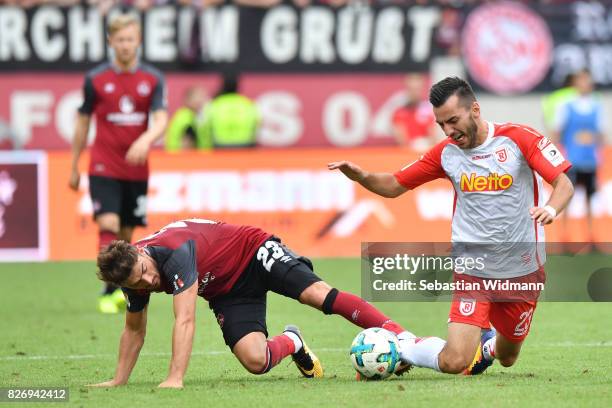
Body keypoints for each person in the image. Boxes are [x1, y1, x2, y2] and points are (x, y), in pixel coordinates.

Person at [329, 77, 574, 376]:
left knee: (508, 356)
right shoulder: (446, 153)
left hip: (522, 267)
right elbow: (394, 184)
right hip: (473, 266)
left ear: (475, 109)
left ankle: (488, 348)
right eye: (441, 124)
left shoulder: (519, 139)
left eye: (453, 120)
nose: (448, 131)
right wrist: (362, 176)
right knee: (454, 361)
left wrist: (551, 208)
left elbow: (563, 183)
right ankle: (401, 345)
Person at [88, 218, 410, 388]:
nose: (147, 283)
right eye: (135, 283)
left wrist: (175, 378)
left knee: (319, 296)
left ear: (141, 253)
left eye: (144, 273)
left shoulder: (175, 253)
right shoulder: (132, 276)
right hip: (228, 291)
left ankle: (401, 335)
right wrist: (119, 379)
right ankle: (293, 341)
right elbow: (134, 331)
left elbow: (184, 319)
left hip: (254, 252)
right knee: (256, 361)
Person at [69, 14, 168, 314]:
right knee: (108, 224)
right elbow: (83, 123)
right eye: (120, 40)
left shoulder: (152, 79)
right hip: (103, 165)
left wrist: (146, 138)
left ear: (138, 41)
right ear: (111, 42)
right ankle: (107, 288)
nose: (125, 45)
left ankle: (117, 286)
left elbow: (161, 118)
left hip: (136, 168)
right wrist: (74, 165)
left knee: (125, 233)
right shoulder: (96, 79)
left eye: (130, 39)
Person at [553, 69, 603, 243]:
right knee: (567, 196)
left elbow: (601, 133)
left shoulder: (597, 105)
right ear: (575, 83)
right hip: (572, 160)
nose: (585, 84)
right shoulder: (566, 105)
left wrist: (596, 141)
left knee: (590, 198)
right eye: (581, 80)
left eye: (587, 80)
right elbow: (557, 131)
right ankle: (564, 236)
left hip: (590, 160)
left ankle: (591, 236)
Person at [201, 73, 259, 148]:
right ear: (238, 86)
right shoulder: (248, 104)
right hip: (245, 146)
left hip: (220, 147)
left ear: (223, 86)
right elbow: (257, 125)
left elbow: (205, 127)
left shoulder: (214, 104)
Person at [391, 73, 439, 153]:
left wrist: (425, 144)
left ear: (421, 89)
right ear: (407, 89)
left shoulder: (428, 110)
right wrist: (416, 146)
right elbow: (401, 141)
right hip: (406, 155)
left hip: (425, 154)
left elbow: (433, 137)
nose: (414, 93)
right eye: (411, 89)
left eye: (417, 89)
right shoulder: (399, 112)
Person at [165, 86, 210, 151]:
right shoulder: (188, 119)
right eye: (199, 97)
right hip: (183, 159)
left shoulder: (182, 115)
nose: (202, 101)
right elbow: (186, 146)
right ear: (189, 100)